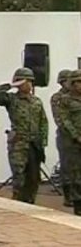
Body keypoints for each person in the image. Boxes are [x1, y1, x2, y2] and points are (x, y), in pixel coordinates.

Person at [0, 68, 48, 204]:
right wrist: (11, 85)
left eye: (29, 82)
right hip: (18, 144)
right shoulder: (11, 99)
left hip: (34, 144)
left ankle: (30, 202)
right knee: (19, 177)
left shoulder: (37, 101)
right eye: (24, 82)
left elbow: (43, 123)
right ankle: (17, 203)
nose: (27, 85)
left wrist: (43, 142)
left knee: (33, 178)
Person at [57, 70, 81, 215]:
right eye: (77, 82)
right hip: (73, 142)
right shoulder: (64, 100)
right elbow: (65, 121)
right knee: (76, 174)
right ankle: (78, 204)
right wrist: (77, 136)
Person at [51, 69, 72, 206]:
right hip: (66, 137)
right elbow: (60, 119)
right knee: (67, 167)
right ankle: (69, 196)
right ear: (62, 82)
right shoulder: (57, 98)